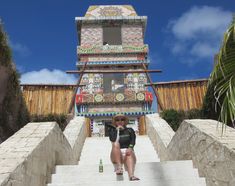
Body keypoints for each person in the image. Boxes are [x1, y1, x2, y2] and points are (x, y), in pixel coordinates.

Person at [108, 114, 140, 181]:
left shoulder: (130, 130)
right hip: (116, 154)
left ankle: (131, 176)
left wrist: (130, 148)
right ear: (115, 122)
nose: (120, 121)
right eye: (117, 120)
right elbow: (113, 140)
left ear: (125, 121)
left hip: (127, 153)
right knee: (116, 144)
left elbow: (133, 141)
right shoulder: (112, 131)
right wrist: (117, 131)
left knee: (129, 152)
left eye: (122, 119)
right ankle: (119, 168)